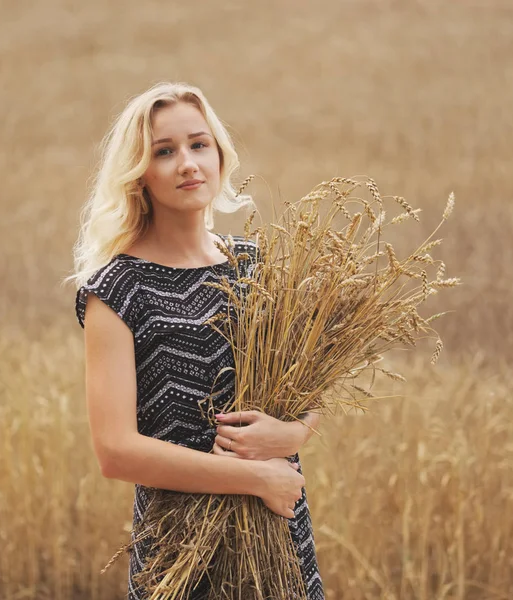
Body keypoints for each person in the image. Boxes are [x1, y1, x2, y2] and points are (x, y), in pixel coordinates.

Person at [69, 82, 325, 599]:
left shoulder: (256, 267)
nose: (187, 163)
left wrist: (294, 435)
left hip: (278, 535)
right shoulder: (117, 290)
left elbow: (310, 388)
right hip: (180, 550)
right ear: (139, 174)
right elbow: (115, 451)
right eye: (165, 152)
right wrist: (254, 478)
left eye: (198, 144)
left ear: (219, 155)